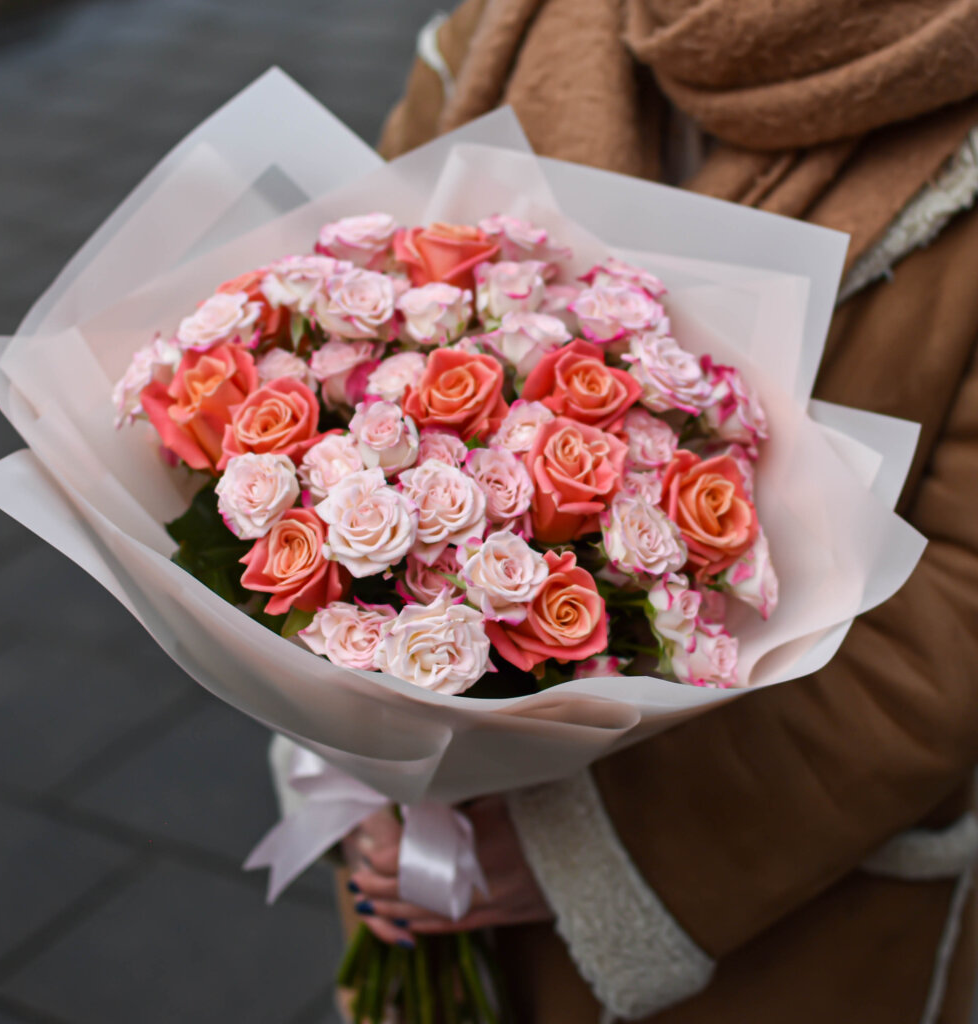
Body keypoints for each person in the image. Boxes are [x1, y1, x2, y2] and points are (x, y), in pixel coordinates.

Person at [338, 1, 978, 1020]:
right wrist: (355, 726)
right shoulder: (502, 33)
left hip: (785, 898)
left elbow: (957, 598)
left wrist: (578, 851)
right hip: (430, 873)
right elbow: (341, 335)